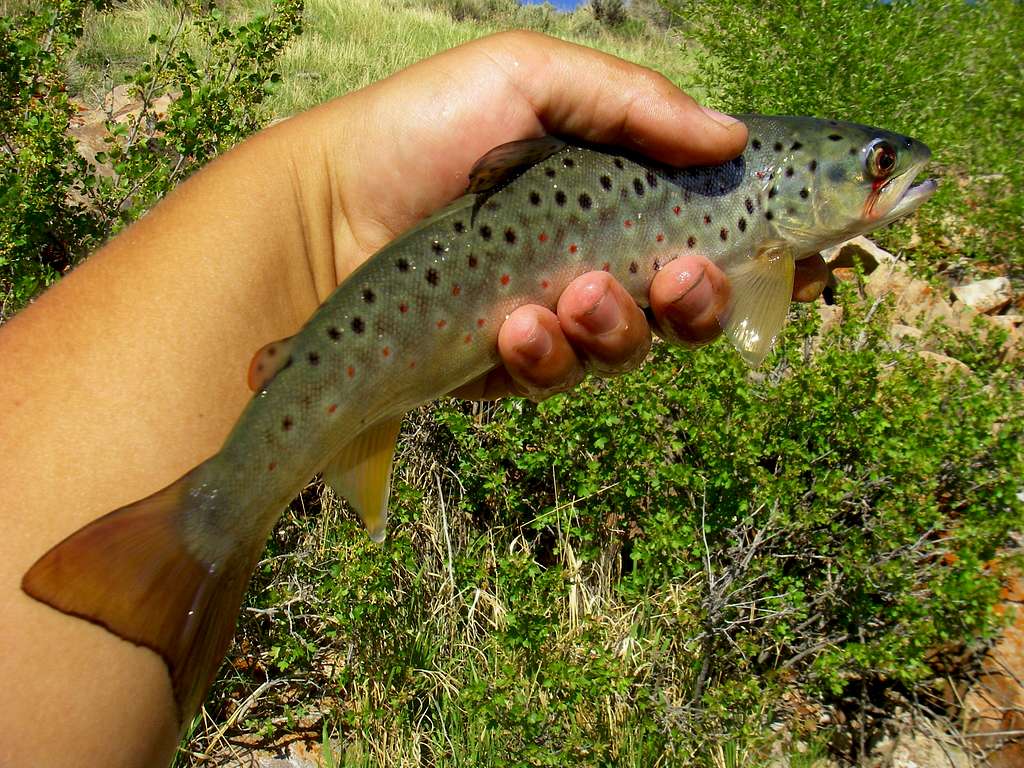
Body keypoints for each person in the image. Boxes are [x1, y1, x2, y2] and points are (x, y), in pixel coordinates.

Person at [0, 31, 826, 767]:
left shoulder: (773, 240)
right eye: (876, 167)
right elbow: (758, 329)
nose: (888, 180)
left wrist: (319, 212)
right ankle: (213, 520)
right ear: (799, 176)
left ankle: (216, 521)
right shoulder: (745, 194)